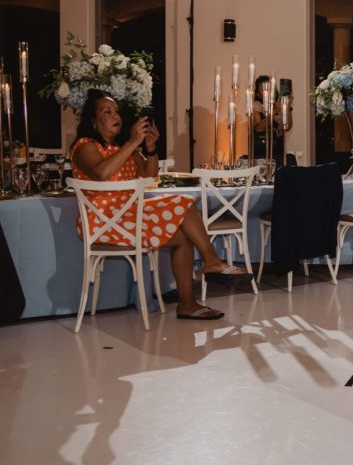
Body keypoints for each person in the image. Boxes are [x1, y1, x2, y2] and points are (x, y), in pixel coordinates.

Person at [70, 90, 248, 320]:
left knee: (183, 233)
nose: (115, 116)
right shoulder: (86, 146)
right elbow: (101, 173)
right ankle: (211, 261)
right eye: (107, 112)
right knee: (182, 202)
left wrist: (150, 148)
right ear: (93, 121)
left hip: (129, 217)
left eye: (116, 111)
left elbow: (149, 175)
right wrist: (133, 141)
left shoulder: (124, 148)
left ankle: (187, 303)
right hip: (103, 221)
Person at [252, 75, 292, 162]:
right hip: (261, 156)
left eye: (271, 88)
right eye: (265, 89)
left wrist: (287, 106)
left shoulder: (280, 105)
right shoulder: (256, 106)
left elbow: (287, 126)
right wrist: (274, 111)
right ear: (258, 93)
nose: (269, 91)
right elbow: (259, 128)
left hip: (278, 154)